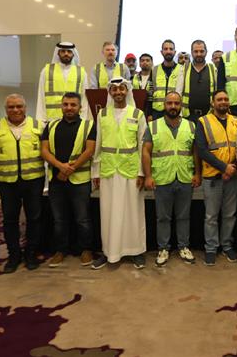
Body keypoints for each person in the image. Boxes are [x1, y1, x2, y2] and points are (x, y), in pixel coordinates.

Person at [91, 77, 148, 270]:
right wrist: (95, 172)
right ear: (110, 93)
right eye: (114, 89)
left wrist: (142, 172)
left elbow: (142, 145)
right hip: (108, 170)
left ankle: (136, 251)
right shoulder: (102, 114)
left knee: (133, 212)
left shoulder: (137, 114)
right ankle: (109, 252)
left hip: (130, 170)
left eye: (121, 88)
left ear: (127, 91)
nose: (118, 92)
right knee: (108, 212)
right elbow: (98, 144)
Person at [0, 94, 44, 273]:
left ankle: (31, 254)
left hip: (34, 180)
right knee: (10, 220)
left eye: (19, 106)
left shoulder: (38, 125)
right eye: (11, 107)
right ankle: (14, 255)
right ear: (6, 109)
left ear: (25, 107)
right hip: (7, 181)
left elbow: (45, 150)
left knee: (34, 218)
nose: (16, 110)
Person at [142, 92, 201, 266]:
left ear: (181, 105)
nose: (173, 106)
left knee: (184, 216)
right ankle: (163, 248)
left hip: (185, 177)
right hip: (162, 178)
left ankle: (184, 246)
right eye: (170, 103)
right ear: (164, 105)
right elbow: (146, 152)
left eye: (176, 103)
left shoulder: (191, 126)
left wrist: (198, 173)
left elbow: (196, 151)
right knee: (163, 217)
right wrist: (148, 176)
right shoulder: (153, 126)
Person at [40, 92, 96, 268]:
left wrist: (69, 169)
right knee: (59, 219)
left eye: (73, 105)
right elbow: (44, 150)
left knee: (83, 219)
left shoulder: (89, 125)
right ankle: (60, 250)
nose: (69, 108)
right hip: (56, 181)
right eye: (66, 104)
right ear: (61, 106)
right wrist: (60, 167)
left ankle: (86, 249)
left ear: (80, 107)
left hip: (80, 181)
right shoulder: (51, 125)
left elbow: (89, 151)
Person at [195, 90, 237, 265]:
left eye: (226, 99)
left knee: (230, 214)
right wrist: (224, 168)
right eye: (219, 99)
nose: (223, 102)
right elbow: (202, 150)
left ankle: (227, 245)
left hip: (232, 176)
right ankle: (211, 248)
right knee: (211, 216)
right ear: (212, 102)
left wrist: (232, 168)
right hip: (212, 177)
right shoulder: (203, 121)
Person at [36, 42, 89, 125]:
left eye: (69, 51)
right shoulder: (46, 71)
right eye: (63, 51)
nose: (66, 54)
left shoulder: (81, 73)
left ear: (73, 54)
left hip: (74, 121)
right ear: (58, 53)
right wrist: (41, 121)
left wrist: (83, 120)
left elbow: (84, 99)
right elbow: (41, 97)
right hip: (51, 121)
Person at [178, 39, 217, 121]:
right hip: (188, 116)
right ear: (191, 53)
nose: (199, 54)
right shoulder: (184, 68)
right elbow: (178, 93)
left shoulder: (212, 68)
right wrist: (179, 114)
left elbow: (217, 92)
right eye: (196, 51)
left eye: (202, 51)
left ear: (206, 52)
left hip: (209, 115)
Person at [150, 39, 183, 120]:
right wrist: (149, 113)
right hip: (157, 112)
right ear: (161, 52)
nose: (168, 51)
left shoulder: (181, 69)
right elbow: (150, 92)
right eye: (165, 49)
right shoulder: (154, 69)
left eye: (171, 49)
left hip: (174, 110)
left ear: (175, 52)